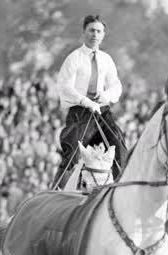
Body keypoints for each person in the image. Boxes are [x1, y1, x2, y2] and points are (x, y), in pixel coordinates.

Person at [51, 14, 127, 190]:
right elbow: (65, 87)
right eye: (91, 30)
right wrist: (86, 101)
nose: (95, 34)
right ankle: (55, 193)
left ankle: (120, 192)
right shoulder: (74, 58)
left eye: (99, 31)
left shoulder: (106, 59)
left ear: (103, 35)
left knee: (119, 148)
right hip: (80, 112)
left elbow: (116, 85)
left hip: (102, 111)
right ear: (84, 32)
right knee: (72, 153)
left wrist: (106, 95)